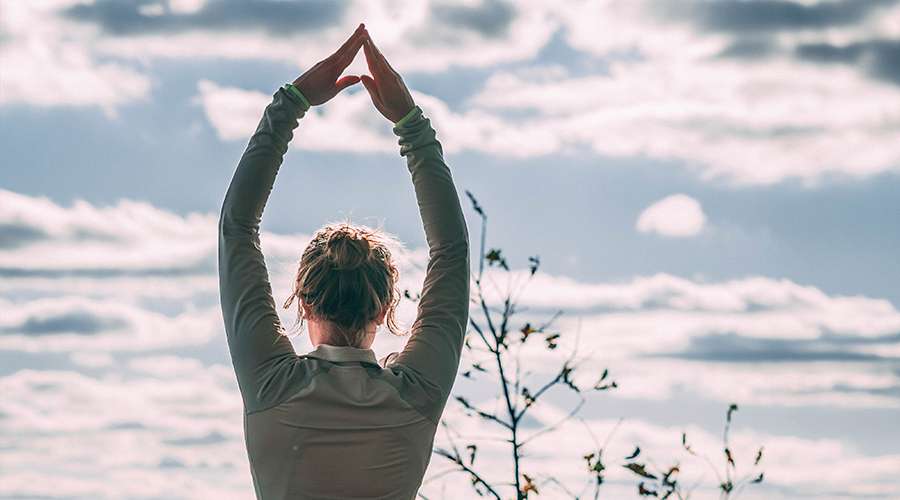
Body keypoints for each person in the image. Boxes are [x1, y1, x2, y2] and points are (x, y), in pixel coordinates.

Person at [217, 23, 471, 499]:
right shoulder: (413, 393)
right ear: (384, 308)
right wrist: (410, 124)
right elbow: (452, 251)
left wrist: (291, 102)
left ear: (303, 303)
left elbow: (236, 229)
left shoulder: (272, 384)